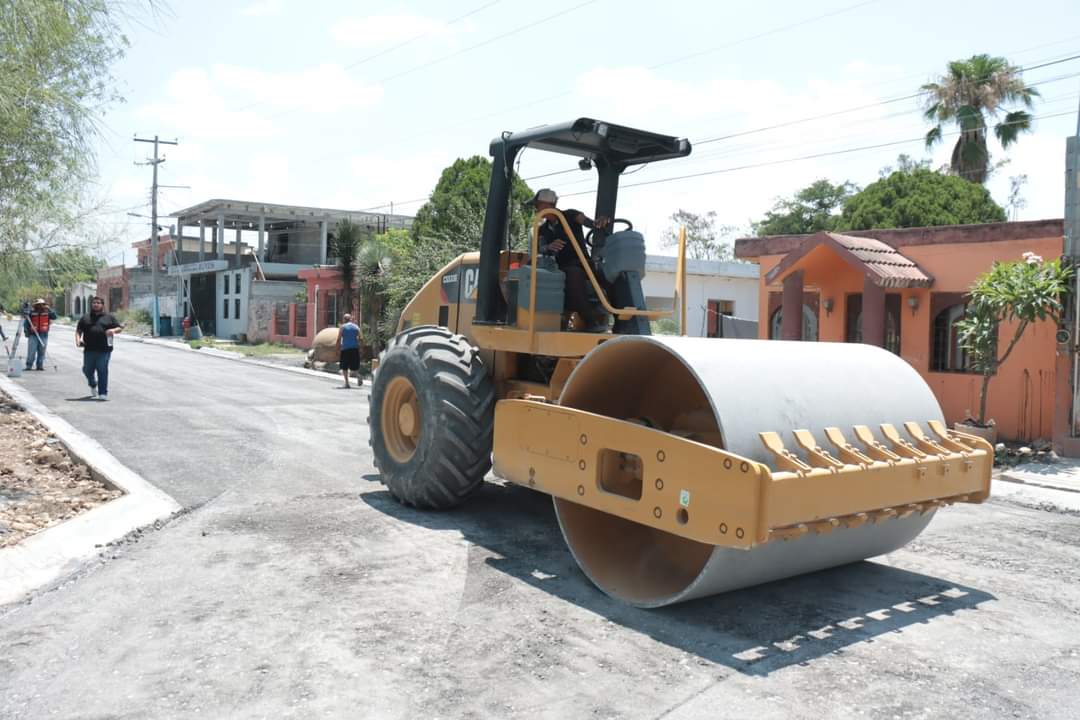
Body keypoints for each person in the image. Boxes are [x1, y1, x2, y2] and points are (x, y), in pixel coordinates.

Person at [529, 188, 609, 332]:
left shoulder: (571, 215)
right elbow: (539, 249)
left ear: (546, 204)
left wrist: (598, 223)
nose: (535, 208)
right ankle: (582, 321)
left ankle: (604, 320)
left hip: (583, 264)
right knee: (567, 275)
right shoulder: (542, 230)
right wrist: (548, 247)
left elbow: (588, 222)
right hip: (559, 268)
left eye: (537, 205)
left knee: (602, 276)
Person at [75, 297, 124, 401]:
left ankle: (103, 393)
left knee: (102, 369)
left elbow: (119, 328)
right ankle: (93, 384)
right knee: (87, 370)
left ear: (102, 305)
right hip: (89, 349)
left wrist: (113, 330)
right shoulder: (85, 318)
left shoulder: (109, 317)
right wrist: (78, 340)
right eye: (94, 303)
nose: (95, 304)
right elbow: (78, 331)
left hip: (104, 349)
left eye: (98, 303)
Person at [23, 298, 58, 371]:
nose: (40, 306)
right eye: (38, 305)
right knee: (31, 351)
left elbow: (55, 317)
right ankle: (29, 365)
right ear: (36, 305)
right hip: (33, 335)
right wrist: (26, 332)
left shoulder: (47, 312)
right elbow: (26, 323)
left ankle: (40, 365)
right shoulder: (31, 312)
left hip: (43, 335)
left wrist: (49, 309)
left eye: (42, 304)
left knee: (42, 351)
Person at [336, 313, 362, 389]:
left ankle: (347, 383)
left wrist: (337, 349)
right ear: (350, 319)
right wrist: (361, 348)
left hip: (345, 349)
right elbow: (361, 338)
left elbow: (339, 339)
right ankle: (358, 376)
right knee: (354, 366)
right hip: (355, 348)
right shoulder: (356, 327)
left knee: (344, 367)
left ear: (344, 319)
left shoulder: (343, 327)